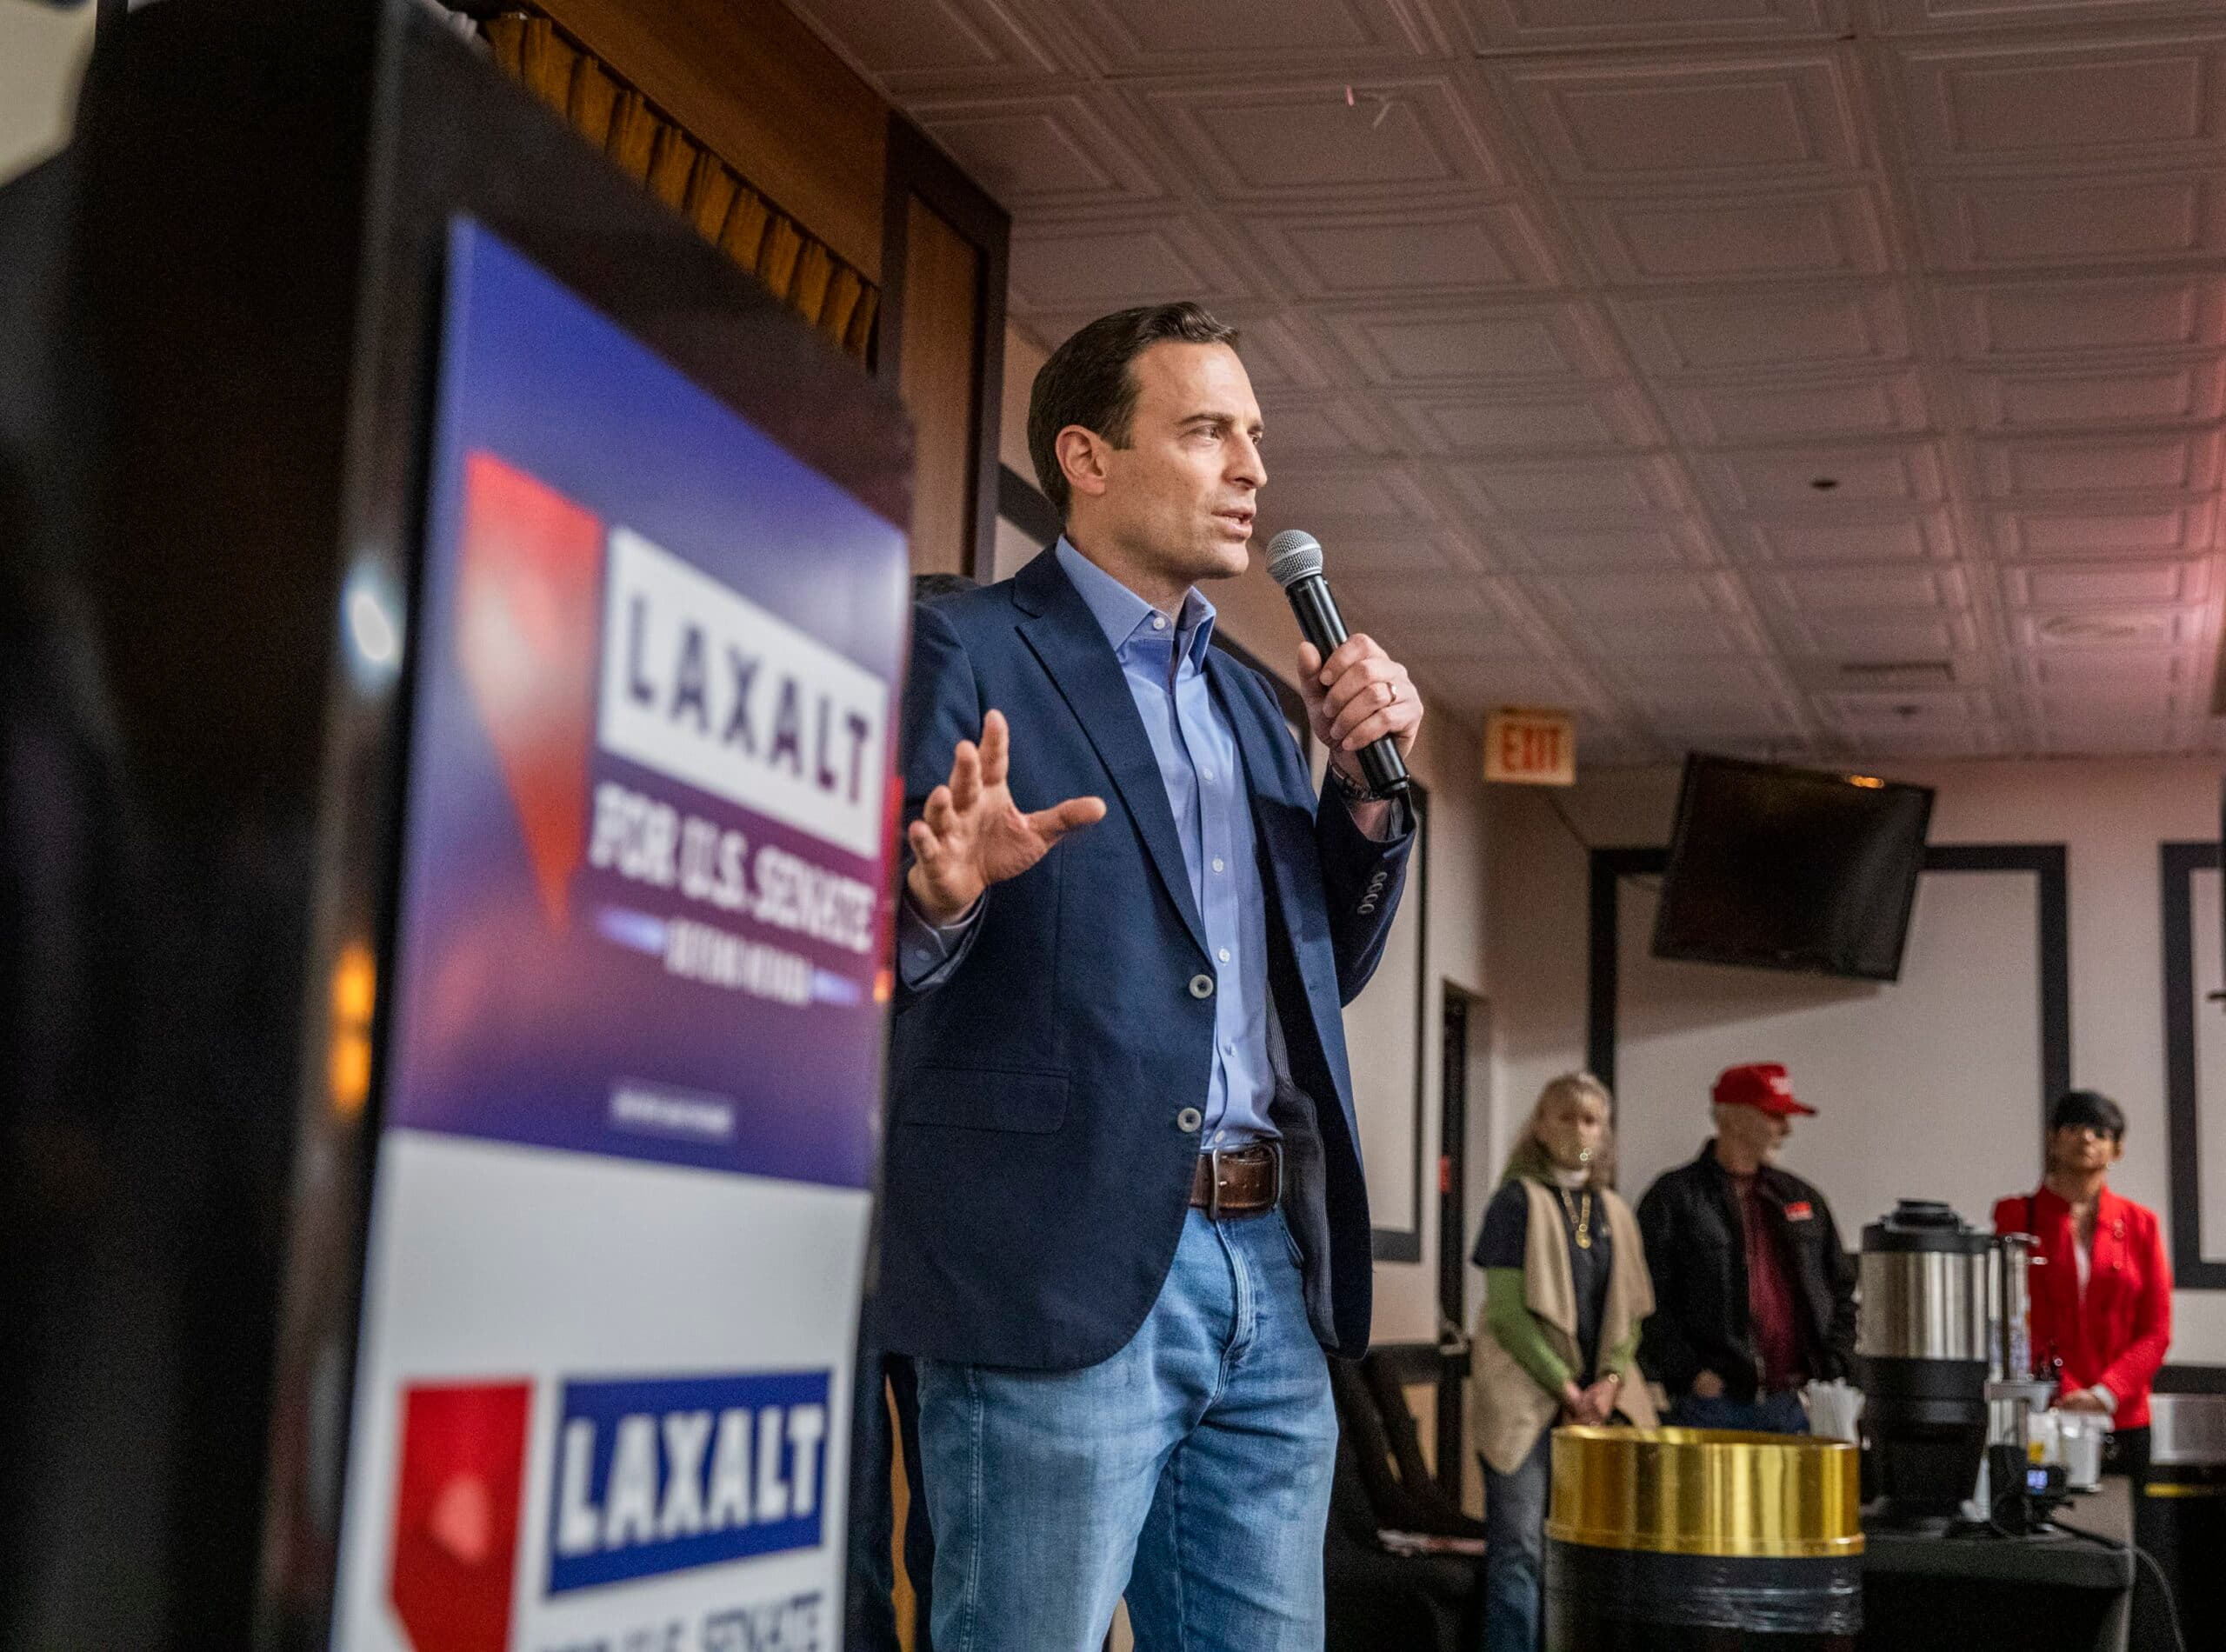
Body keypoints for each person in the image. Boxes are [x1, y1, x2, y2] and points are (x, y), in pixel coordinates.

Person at [878, 301, 1425, 1651]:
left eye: (1254, 436)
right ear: (1087, 456)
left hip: (1267, 1275)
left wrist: (1362, 804)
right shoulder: (966, 649)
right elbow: (874, 953)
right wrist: (940, 904)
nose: (1251, 468)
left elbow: (1313, 977)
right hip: (1058, 1270)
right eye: (1207, 431)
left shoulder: (1250, 699)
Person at [846, 575, 979, 1652]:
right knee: (841, 1555)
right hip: (826, 1243)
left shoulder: (996, 835)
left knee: (961, 1550)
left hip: (960, 1251)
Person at [1468, 1073, 1656, 1652]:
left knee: (1593, 1553)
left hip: (1598, 1406)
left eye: (1592, 1119)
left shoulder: (1615, 1212)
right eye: (1567, 1117)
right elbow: (1505, 1312)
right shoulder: (1515, 1201)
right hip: (1528, 1398)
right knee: (1520, 1551)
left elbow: (1631, 1316)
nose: (1580, 1130)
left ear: (1606, 1133)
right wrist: (1569, 1388)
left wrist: (1610, 1382)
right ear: (1542, 1126)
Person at [1636, 1062, 1856, 1435]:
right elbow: (1644, 1300)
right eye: (1775, 1116)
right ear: (1733, 1120)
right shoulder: (1674, 1199)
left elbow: (1842, 1291)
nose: (1786, 1130)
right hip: (1707, 1407)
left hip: (1793, 1407)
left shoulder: (1802, 1199)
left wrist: (1832, 1366)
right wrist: (1691, 1375)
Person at [1992, 1089, 2172, 1486]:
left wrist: (2107, 1392)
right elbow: (2013, 1315)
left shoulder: (2142, 1224)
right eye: (2073, 1127)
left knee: (2122, 1536)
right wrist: (2065, 1390)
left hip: (2122, 1418)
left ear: (2117, 1149)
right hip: (2042, 1415)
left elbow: (2156, 1331)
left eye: (2100, 1131)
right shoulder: (2017, 1215)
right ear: (2053, 1138)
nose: (2087, 1138)